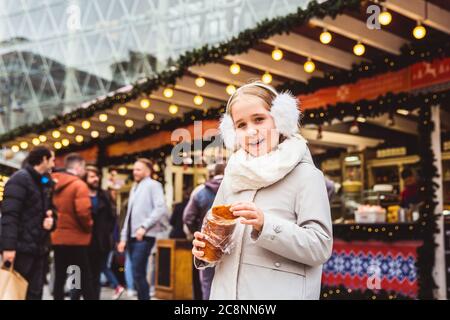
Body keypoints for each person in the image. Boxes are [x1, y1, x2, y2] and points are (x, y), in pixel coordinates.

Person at [191, 81, 333, 300]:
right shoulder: (233, 176)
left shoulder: (307, 176)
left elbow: (320, 247)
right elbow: (217, 236)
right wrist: (206, 252)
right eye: (241, 125)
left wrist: (265, 225)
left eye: (259, 119)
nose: (251, 131)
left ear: (280, 120)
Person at [0, 146, 56, 300]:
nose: (53, 164)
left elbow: (52, 210)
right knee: (16, 292)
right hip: (21, 249)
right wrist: (8, 248)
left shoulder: (46, 182)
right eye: (52, 160)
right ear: (43, 159)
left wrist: (52, 221)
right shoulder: (19, 179)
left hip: (39, 249)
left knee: (35, 293)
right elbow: (10, 216)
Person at [117, 158, 168, 300]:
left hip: (144, 236)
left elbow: (160, 208)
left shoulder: (154, 185)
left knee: (138, 273)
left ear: (148, 171)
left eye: (138, 169)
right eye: (134, 169)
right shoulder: (135, 187)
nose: (135, 172)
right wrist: (123, 238)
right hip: (131, 236)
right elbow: (129, 215)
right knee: (135, 273)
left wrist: (144, 227)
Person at [51, 153, 95, 300]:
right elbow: (83, 212)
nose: (84, 171)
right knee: (84, 276)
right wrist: (89, 227)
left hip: (57, 237)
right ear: (77, 167)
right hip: (77, 239)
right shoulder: (79, 185)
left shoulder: (53, 183)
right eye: (83, 167)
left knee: (60, 276)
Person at [183, 163, 224, 300]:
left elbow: (187, 217)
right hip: (230, 245)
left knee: (207, 283)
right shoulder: (236, 189)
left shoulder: (201, 191)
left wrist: (198, 234)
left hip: (206, 245)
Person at [82, 165, 123, 300]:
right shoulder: (80, 193)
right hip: (83, 242)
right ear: (85, 178)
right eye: (92, 176)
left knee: (96, 275)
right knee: (79, 274)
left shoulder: (104, 195)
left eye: (97, 176)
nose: (95, 179)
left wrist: (111, 237)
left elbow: (113, 218)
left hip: (101, 243)